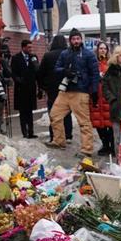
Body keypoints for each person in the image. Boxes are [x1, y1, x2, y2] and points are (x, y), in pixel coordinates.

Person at [47, 28, 100, 156]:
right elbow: (56, 68)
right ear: (70, 40)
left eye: (77, 38)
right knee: (54, 115)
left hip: (81, 91)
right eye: (73, 39)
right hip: (65, 91)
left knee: (84, 122)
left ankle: (87, 149)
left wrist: (94, 91)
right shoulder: (65, 53)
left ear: (81, 39)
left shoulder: (88, 54)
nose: (76, 41)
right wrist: (65, 71)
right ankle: (59, 141)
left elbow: (95, 74)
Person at [39, 34, 73, 143]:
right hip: (66, 87)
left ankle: (54, 135)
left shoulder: (48, 56)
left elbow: (40, 73)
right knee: (67, 112)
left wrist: (44, 86)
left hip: (52, 88)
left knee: (53, 112)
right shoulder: (69, 54)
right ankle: (67, 134)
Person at [11, 40, 40, 138]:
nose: (30, 49)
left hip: (31, 88)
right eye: (28, 47)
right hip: (21, 89)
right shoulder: (16, 58)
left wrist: (39, 87)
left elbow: (37, 72)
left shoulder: (34, 57)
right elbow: (13, 73)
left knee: (30, 111)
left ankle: (31, 132)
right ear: (23, 47)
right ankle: (25, 132)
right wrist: (18, 80)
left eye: (31, 47)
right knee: (23, 112)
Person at [90, 42, 115, 154]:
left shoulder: (111, 64)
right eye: (101, 48)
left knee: (110, 123)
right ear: (97, 50)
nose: (103, 50)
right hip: (95, 96)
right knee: (98, 123)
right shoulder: (93, 63)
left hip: (107, 96)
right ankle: (105, 145)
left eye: (105, 48)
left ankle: (112, 146)